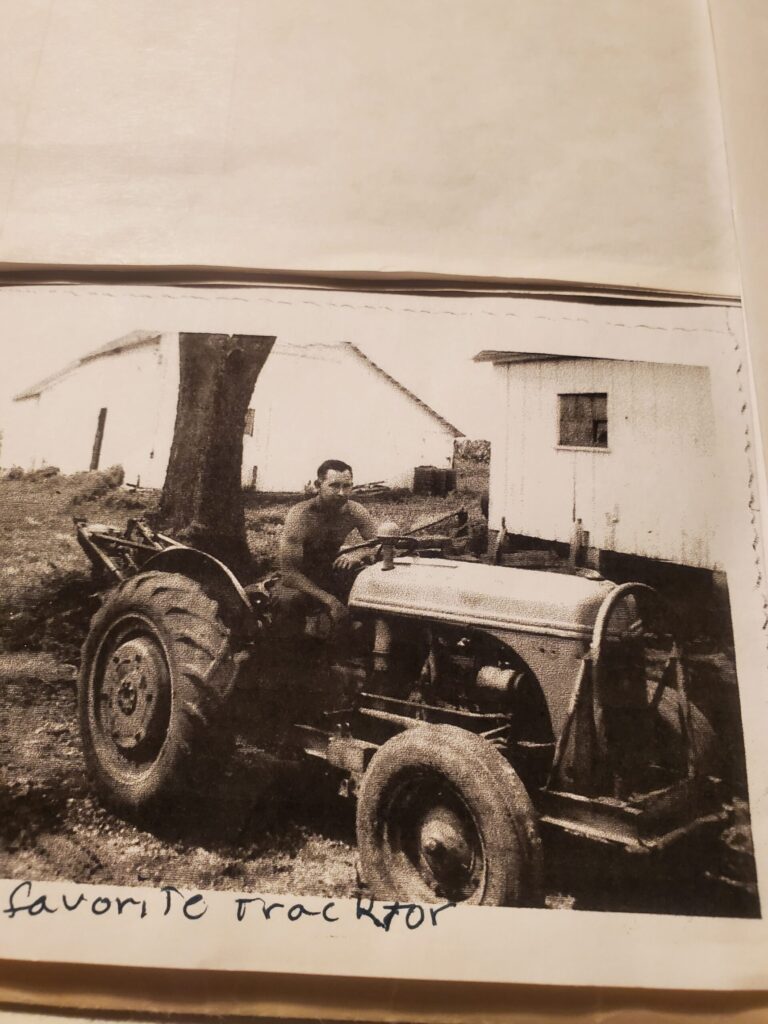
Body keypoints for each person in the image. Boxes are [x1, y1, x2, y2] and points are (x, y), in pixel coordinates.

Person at [273, 459, 378, 635]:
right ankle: (289, 655)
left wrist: (357, 554)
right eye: (334, 486)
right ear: (318, 485)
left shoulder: (355, 511)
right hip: (300, 579)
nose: (342, 493)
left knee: (371, 586)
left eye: (347, 486)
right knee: (287, 600)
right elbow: (289, 574)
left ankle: (359, 647)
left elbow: (379, 543)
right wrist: (331, 601)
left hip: (331, 573)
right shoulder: (300, 516)